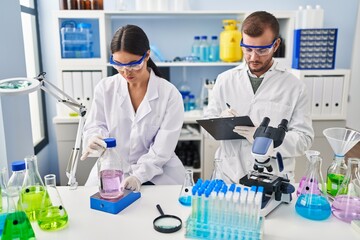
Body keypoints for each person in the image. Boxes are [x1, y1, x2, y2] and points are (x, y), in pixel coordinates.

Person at [204, 11, 314, 183]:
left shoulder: (295, 87)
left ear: (276, 45)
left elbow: (304, 140)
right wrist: (220, 122)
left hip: (273, 178)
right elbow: (208, 127)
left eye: (262, 50)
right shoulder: (225, 80)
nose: (253, 58)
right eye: (247, 49)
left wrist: (267, 139)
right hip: (228, 176)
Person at [81, 24, 185, 191]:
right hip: (112, 168)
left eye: (133, 65)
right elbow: (95, 126)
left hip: (158, 174)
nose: (126, 72)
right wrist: (95, 138)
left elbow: (161, 150)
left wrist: (138, 176)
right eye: (118, 65)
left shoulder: (170, 95)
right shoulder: (105, 88)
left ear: (147, 55)